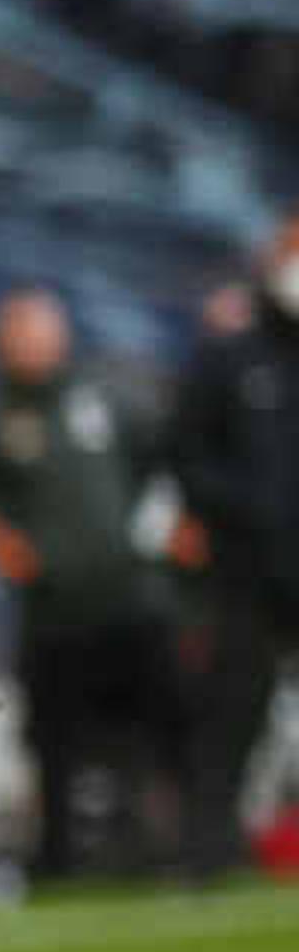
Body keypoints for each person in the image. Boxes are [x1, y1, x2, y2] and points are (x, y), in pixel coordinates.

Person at [0, 287, 181, 878]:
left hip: (131, 601)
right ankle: (58, 863)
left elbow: (161, 468)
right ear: (1, 344)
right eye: (19, 334)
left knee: (148, 735)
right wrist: (12, 553)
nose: (32, 345)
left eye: (40, 331)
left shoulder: (107, 399)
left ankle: (152, 851)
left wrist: (164, 536)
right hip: (54, 613)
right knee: (54, 746)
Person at [163, 211, 299, 875]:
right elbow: (187, 453)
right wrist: (239, 510)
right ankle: (208, 850)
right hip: (247, 571)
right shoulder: (231, 359)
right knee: (233, 712)